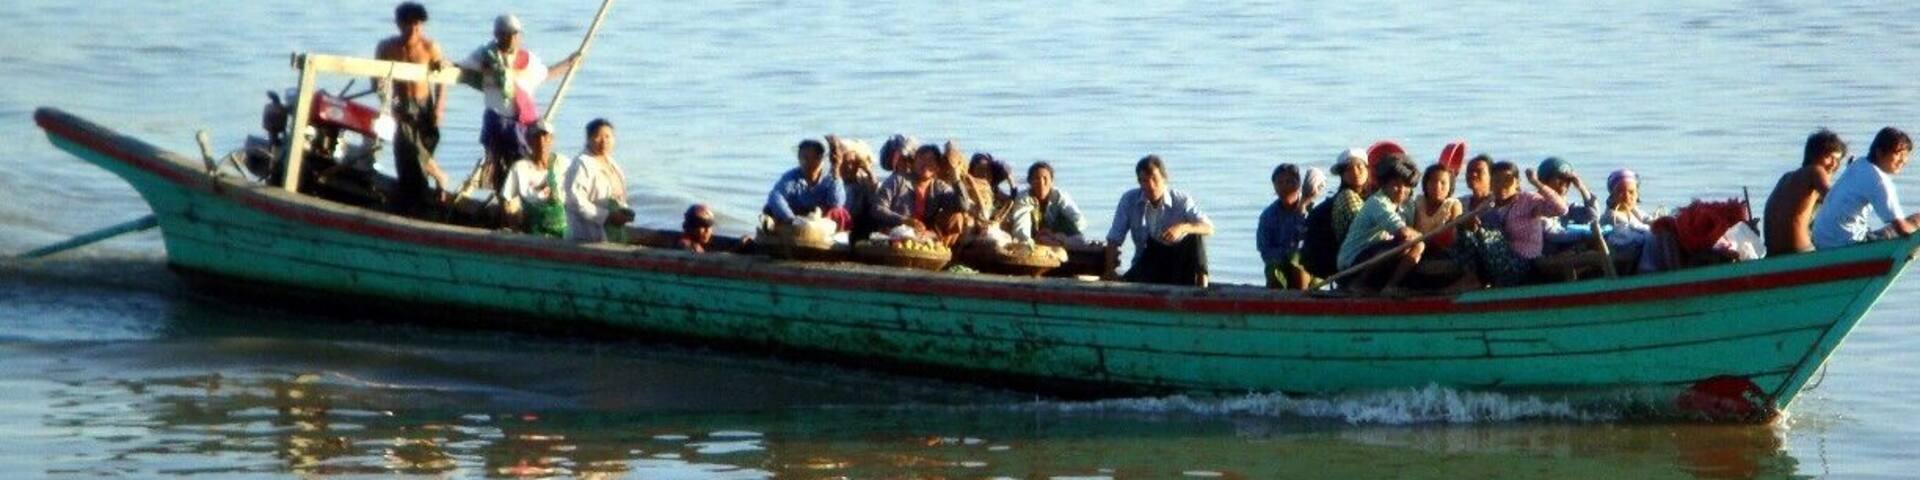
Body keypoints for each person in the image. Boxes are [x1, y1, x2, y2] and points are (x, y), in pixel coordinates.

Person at [457, 13, 580, 192]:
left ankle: (526, 201)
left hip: (523, 122)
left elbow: (546, 73)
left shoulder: (527, 59)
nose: (513, 39)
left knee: (527, 163)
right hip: (497, 120)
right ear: (497, 35)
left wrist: (569, 63)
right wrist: (442, 64)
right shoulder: (485, 55)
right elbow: (461, 67)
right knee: (498, 166)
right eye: (507, 34)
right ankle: (505, 204)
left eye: (516, 35)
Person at [374, 2, 451, 214]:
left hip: (424, 105)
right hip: (401, 105)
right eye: (409, 26)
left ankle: (432, 185)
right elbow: (377, 80)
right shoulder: (388, 47)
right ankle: (416, 198)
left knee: (420, 150)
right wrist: (388, 104)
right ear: (399, 25)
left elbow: (443, 78)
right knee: (406, 151)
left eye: (418, 26)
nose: (414, 31)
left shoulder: (429, 47)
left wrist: (439, 108)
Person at [1104, 155, 1214, 287]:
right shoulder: (1129, 200)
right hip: (1148, 263)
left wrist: (1182, 227)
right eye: (1144, 181)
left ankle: (1202, 291)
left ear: (1164, 178)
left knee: (1196, 236)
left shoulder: (1181, 200)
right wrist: (1110, 271)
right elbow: (1114, 238)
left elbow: (1208, 227)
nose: (1150, 185)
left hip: (1177, 265)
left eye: (1154, 179)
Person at [1812, 127, 1920, 248]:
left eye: (1906, 155)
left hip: (1821, 239)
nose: (1903, 161)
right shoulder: (1879, 181)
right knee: (1917, 221)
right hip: (1846, 243)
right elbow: (1902, 229)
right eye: (1899, 154)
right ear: (1880, 153)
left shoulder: (1859, 164)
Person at [1338, 154, 1424, 294]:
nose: (1401, 190)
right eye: (1395, 185)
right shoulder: (1378, 202)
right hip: (1352, 265)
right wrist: (1420, 236)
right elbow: (1404, 232)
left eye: (1406, 186)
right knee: (1411, 242)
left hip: (1378, 258)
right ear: (1384, 184)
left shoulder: (1408, 204)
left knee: (1418, 245)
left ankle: (1390, 286)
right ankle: (1356, 284)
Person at [1764, 129, 1846, 255]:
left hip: (1772, 254)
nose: (1833, 165)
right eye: (1829, 157)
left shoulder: (1787, 177)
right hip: (1799, 252)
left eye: (1838, 160)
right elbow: (1836, 201)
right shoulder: (1816, 171)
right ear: (1813, 155)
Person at [1300, 148, 1369, 279]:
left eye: (1360, 167)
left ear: (1367, 170)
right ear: (1342, 175)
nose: (1356, 172)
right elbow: (1363, 232)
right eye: (1349, 169)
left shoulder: (1367, 198)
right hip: (1332, 260)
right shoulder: (1347, 197)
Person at [886, 144, 971, 245]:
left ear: (937, 167)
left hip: (925, 234)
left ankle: (939, 250)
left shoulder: (940, 187)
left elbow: (963, 206)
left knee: (957, 217)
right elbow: (877, 208)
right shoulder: (897, 181)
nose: (925, 164)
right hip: (898, 230)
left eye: (931, 160)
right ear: (913, 164)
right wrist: (904, 220)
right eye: (921, 159)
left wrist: (956, 178)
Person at [564, 118, 632, 243]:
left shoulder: (611, 163)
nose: (604, 141)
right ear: (588, 139)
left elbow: (618, 197)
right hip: (588, 235)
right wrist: (606, 216)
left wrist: (625, 213)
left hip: (612, 229)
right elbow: (575, 201)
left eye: (607, 137)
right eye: (598, 136)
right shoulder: (581, 164)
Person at [500, 122, 568, 238]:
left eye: (546, 137)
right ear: (528, 141)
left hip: (564, 231)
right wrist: (515, 231)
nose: (541, 142)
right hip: (533, 232)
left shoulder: (563, 163)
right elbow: (508, 201)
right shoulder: (520, 167)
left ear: (552, 139)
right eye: (536, 137)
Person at [763, 139, 847, 227]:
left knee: (838, 211)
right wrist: (791, 219)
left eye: (815, 157)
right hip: (795, 215)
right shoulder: (792, 177)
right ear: (799, 158)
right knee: (769, 208)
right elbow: (775, 196)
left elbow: (837, 203)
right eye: (805, 157)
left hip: (821, 218)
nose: (808, 162)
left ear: (822, 159)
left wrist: (836, 172)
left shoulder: (830, 177)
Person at [1008, 161, 1087, 246]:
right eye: (1037, 179)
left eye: (1045, 178)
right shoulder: (1024, 198)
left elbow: (1079, 221)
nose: (1041, 183)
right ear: (1030, 182)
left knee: (1079, 239)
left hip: (1057, 237)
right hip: (1034, 238)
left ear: (1052, 181)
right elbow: (1021, 230)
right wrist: (1032, 240)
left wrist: (1056, 236)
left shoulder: (1059, 196)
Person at [1257, 163, 1310, 290]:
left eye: (1289, 182)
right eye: (1279, 182)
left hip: (1309, 267)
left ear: (1298, 185)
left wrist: (1302, 211)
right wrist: (1285, 257)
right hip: (1279, 263)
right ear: (1274, 186)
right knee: (1274, 269)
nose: (1284, 186)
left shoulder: (1311, 210)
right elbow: (1264, 248)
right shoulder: (1268, 215)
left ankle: (1302, 301)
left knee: (1296, 261)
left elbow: (1315, 245)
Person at [828, 136, 884, 239]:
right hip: (836, 226)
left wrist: (869, 171)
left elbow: (878, 198)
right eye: (844, 163)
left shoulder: (863, 181)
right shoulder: (831, 180)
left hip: (858, 227)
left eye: (852, 163)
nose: (849, 167)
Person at [1600, 169, 1655, 254]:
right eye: (1620, 192)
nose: (1627, 197)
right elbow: (1638, 228)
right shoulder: (1611, 216)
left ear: (1637, 194)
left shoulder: (1634, 210)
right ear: (1612, 194)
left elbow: (1648, 219)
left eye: (1631, 192)